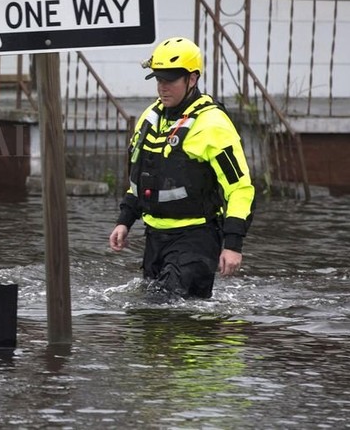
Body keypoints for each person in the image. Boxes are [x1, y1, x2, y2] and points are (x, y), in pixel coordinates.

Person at [108, 37, 255, 299]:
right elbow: (140, 178)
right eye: (159, 80)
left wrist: (233, 245)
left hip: (196, 237)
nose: (163, 88)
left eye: (170, 80)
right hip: (155, 237)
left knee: (169, 310)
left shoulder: (212, 124)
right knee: (150, 321)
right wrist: (125, 221)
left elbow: (240, 189)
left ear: (192, 79)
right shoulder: (151, 117)